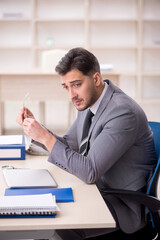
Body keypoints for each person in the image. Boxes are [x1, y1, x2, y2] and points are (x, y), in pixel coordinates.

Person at [16, 47, 157, 240]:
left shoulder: (122, 112)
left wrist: (46, 138)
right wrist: (38, 131)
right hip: (95, 192)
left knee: (57, 223)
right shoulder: (89, 102)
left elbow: (89, 171)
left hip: (119, 206)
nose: (71, 94)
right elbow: (70, 145)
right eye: (66, 87)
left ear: (96, 79)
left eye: (76, 84)